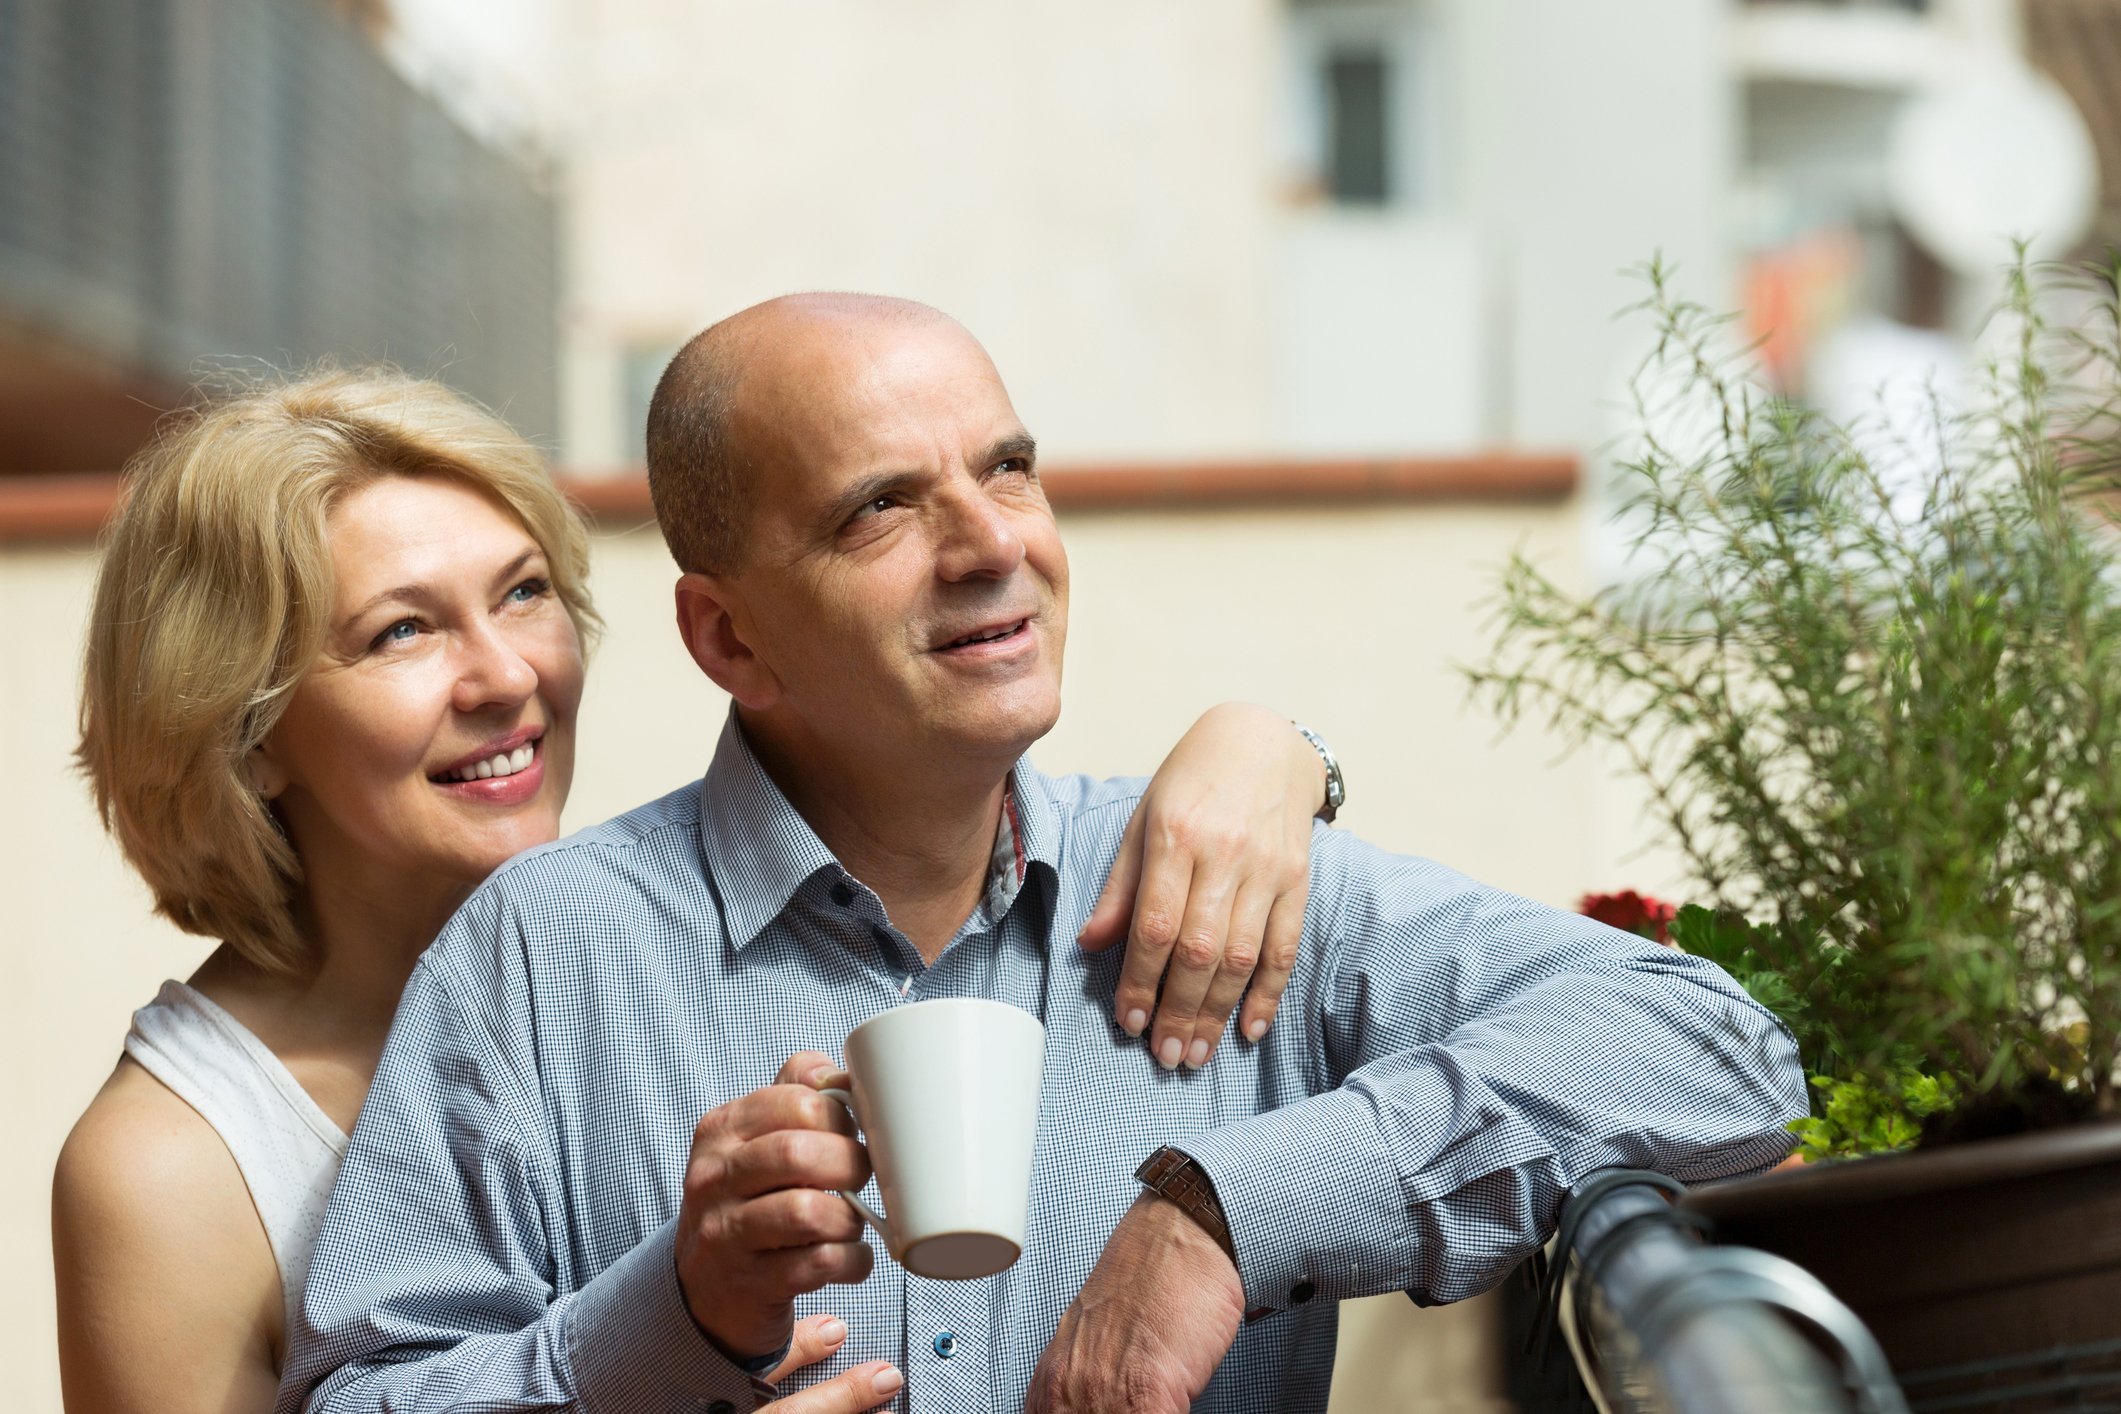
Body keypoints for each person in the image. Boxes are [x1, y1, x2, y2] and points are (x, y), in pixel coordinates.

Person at [281, 298, 1807, 1414]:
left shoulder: (1223, 883)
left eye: (1006, 469)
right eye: (882, 505)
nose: (989, 541)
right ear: (728, 633)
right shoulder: (540, 950)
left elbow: (1715, 1047)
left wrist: (1224, 1209)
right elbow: (360, 1401)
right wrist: (668, 1317)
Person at [48, 367, 1339, 1414]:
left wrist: (1277, 749)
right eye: (403, 630)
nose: (507, 674)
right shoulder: (168, 1166)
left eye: (524, 594)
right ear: (246, 723)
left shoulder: (622, 944)